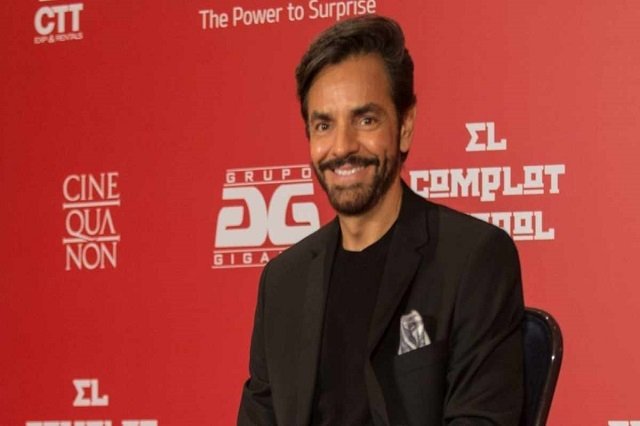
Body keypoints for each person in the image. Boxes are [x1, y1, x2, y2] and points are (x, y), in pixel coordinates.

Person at [238, 15, 524, 426]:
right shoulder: (284, 282)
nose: (342, 147)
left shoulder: (472, 259)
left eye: (365, 120)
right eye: (324, 125)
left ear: (404, 126)